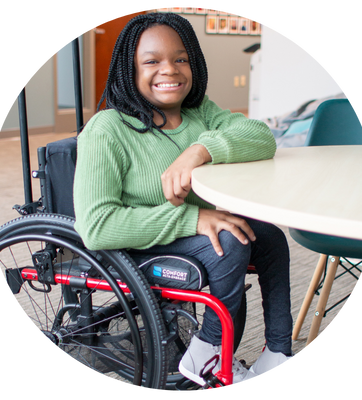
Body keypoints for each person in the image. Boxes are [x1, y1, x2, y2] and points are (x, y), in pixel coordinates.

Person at [73, 12, 293, 387]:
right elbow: (96, 227)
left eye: (180, 59)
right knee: (230, 241)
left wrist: (199, 150)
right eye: (152, 61)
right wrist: (192, 219)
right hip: (136, 244)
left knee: (269, 238)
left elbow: (261, 137)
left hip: (189, 236)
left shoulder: (199, 112)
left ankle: (278, 354)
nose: (169, 70)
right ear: (130, 68)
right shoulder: (107, 129)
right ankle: (206, 348)